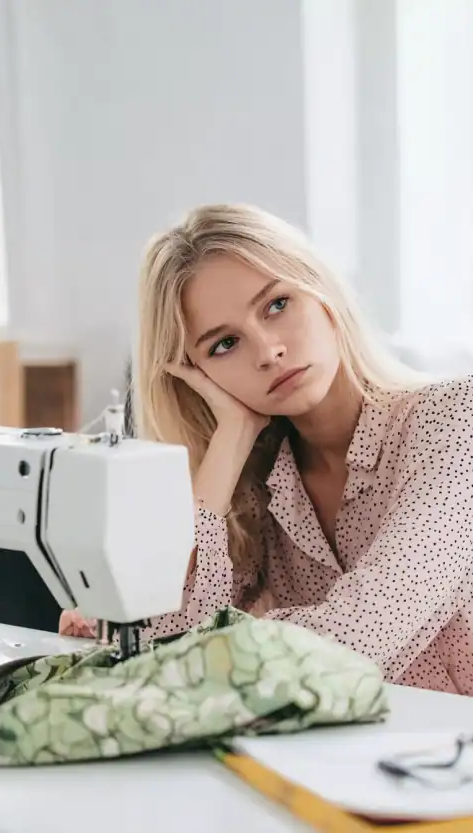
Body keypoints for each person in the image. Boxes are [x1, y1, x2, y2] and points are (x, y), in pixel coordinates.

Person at [60, 204, 473, 696]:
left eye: (277, 305)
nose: (267, 351)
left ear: (320, 293)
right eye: (224, 344)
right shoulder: (260, 482)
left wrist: (181, 644)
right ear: (198, 376)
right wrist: (230, 438)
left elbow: (363, 632)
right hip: (373, 758)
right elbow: (156, 625)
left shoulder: (454, 421)